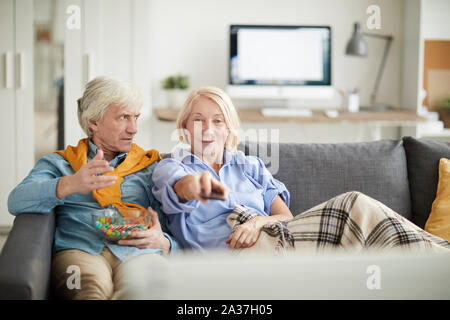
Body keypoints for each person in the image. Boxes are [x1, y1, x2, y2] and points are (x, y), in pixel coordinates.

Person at [152, 86, 450, 254]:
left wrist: (257, 223)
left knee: (368, 232)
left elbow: (286, 218)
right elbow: (180, 188)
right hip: (233, 255)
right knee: (354, 206)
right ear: (184, 127)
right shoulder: (171, 167)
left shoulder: (250, 165)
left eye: (218, 121)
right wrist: (197, 185)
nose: (208, 129)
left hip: (276, 238)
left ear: (229, 128)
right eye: (199, 120)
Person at [8, 76, 179, 300]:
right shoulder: (60, 163)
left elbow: (175, 224)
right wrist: (70, 184)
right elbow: (16, 201)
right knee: (85, 291)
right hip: (78, 252)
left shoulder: (150, 164)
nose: (134, 128)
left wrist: (164, 242)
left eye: (136, 117)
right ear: (94, 122)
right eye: (123, 117)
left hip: (140, 253)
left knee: (146, 293)